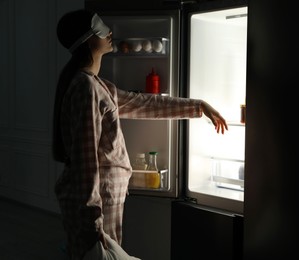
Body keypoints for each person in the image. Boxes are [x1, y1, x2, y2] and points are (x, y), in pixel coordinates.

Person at [53, 9, 228, 260]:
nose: (110, 31)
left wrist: (199, 106)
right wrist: (93, 223)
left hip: (104, 197)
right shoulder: (85, 88)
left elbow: (144, 103)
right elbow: (85, 163)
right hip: (98, 201)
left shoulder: (97, 85)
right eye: (102, 28)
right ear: (89, 39)